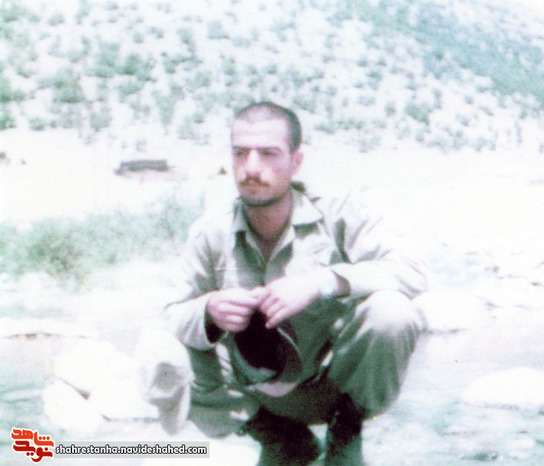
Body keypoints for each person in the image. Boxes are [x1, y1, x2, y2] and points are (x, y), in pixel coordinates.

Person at [162, 101, 428, 465]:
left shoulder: (337, 214)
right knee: (160, 352)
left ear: (296, 161)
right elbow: (170, 314)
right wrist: (208, 311)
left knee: (392, 311)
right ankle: (283, 440)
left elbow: (412, 270)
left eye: (268, 153)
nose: (251, 167)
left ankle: (346, 432)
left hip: (333, 386)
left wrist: (323, 282)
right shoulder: (210, 232)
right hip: (255, 394)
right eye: (240, 153)